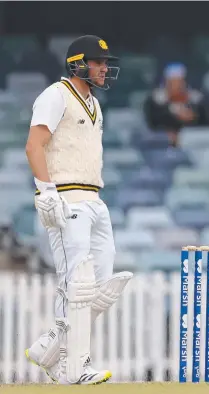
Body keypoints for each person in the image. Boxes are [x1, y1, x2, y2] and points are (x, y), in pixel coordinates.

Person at [24, 35, 133, 385]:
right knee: (77, 282)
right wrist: (46, 191)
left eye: (105, 62)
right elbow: (33, 146)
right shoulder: (56, 95)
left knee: (99, 285)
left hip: (94, 198)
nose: (104, 68)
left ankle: (51, 348)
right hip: (67, 197)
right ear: (78, 63)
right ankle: (75, 364)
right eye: (98, 62)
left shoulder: (95, 105)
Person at [143, 62, 207, 146]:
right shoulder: (155, 101)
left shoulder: (196, 100)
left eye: (180, 82)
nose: (178, 86)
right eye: (173, 82)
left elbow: (205, 121)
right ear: (166, 83)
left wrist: (193, 116)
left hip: (194, 142)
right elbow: (153, 123)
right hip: (163, 143)